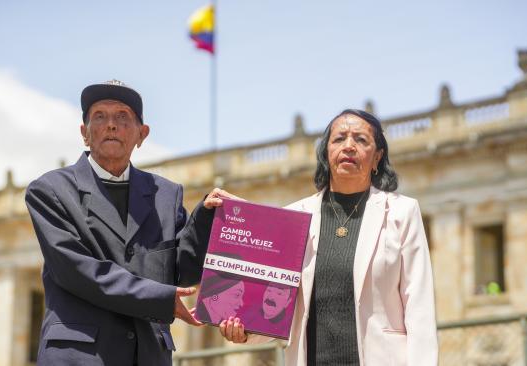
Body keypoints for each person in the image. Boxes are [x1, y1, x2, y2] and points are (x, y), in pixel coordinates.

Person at [25, 79, 230, 366]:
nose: (111, 125)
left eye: (123, 116)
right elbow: (77, 271)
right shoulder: (50, 190)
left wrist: (208, 218)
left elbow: (182, 271)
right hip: (80, 357)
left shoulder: (166, 195)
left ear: (141, 134)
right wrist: (159, 298)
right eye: (99, 116)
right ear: (84, 133)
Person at [219, 109, 438, 365]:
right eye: (339, 139)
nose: (349, 146)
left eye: (361, 140)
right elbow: (278, 305)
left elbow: (419, 306)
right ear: (325, 153)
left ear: (377, 157)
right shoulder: (294, 217)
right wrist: (244, 330)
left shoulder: (403, 212)